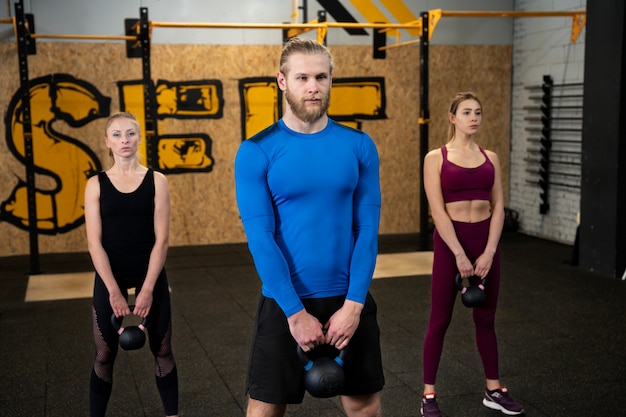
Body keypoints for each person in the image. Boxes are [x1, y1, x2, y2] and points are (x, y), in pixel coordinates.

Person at [234, 37, 385, 417]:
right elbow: (260, 238)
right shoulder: (257, 150)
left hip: (349, 299)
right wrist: (294, 312)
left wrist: (354, 305)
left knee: (363, 406)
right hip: (286, 302)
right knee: (265, 409)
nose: (313, 87)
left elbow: (367, 231)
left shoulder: (359, 145)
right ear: (282, 81)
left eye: (321, 77)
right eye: (302, 77)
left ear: (332, 80)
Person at [420, 92, 525, 416]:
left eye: (477, 112)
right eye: (466, 112)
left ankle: (493, 389)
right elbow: (437, 211)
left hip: (485, 242)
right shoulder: (435, 158)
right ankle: (428, 395)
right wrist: (459, 255)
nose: (474, 117)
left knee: (486, 318)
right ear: (452, 118)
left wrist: (490, 252)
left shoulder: (490, 157)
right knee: (440, 320)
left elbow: (498, 208)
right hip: (451, 242)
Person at [84, 112, 178, 417]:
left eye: (130, 134)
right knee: (104, 354)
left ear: (140, 138)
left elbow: (161, 240)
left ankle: (172, 415)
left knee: (162, 350)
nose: (124, 140)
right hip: (111, 274)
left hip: (149, 270)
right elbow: (94, 243)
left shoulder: (157, 181)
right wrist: (113, 290)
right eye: (117, 135)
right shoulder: (95, 184)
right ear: (107, 142)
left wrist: (148, 289)